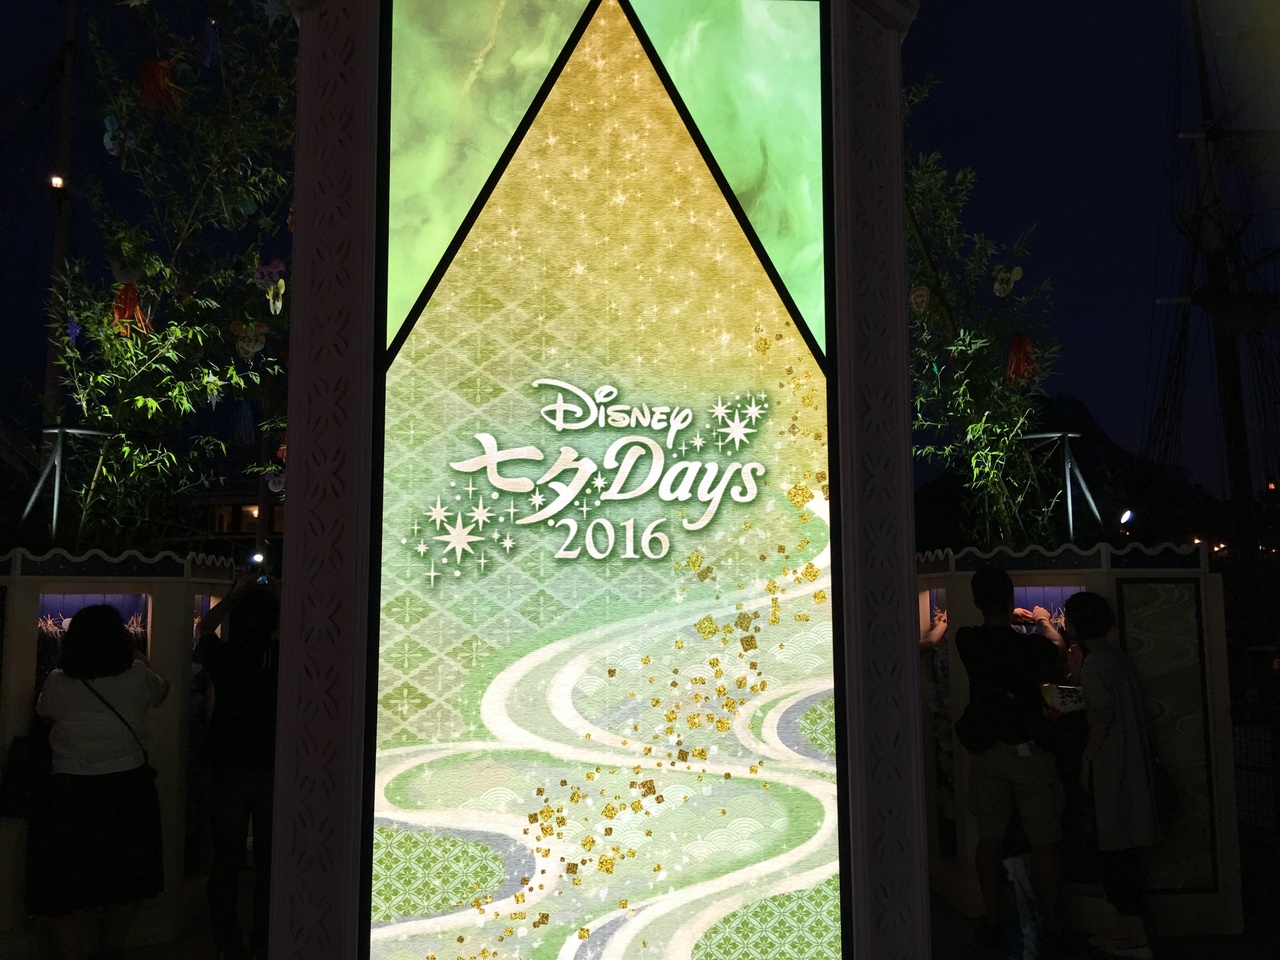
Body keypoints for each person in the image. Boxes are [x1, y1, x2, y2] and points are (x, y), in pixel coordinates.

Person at [25, 604, 169, 960]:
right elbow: (162, 691)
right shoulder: (138, 676)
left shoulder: (57, 682)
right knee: (127, 879)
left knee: (66, 886)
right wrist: (143, 660)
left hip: (69, 792)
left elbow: (43, 711)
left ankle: (71, 951)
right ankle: (112, 948)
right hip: (128, 788)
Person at [954, 566, 1070, 956]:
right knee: (1044, 840)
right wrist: (1041, 621)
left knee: (989, 837)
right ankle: (1053, 926)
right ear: (1011, 599)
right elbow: (1058, 647)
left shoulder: (967, 640)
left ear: (976, 601)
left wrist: (1006, 616)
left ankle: (991, 919)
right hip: (1028, 750)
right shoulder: (1029, 646)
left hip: (987, 751)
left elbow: (990, 638)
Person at [1066, 591, 1160, 959]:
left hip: (1113, 766)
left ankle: (1133, 936)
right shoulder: (1115, 657)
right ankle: (1128, 930)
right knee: (1126, 852)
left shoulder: (1096, 664)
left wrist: (1087, 758)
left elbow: (1101, 717)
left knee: (1114, 852)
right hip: (1132, 762)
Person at [195, 575, 281, 960]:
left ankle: (228, 941)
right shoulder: (279, 657)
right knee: (269, 859)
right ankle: (265, 937)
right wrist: (280, 592)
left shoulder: (224, 655)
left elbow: (204, 627)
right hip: (271, 763)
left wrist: (232, 598)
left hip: (228, 762)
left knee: (226, 858)